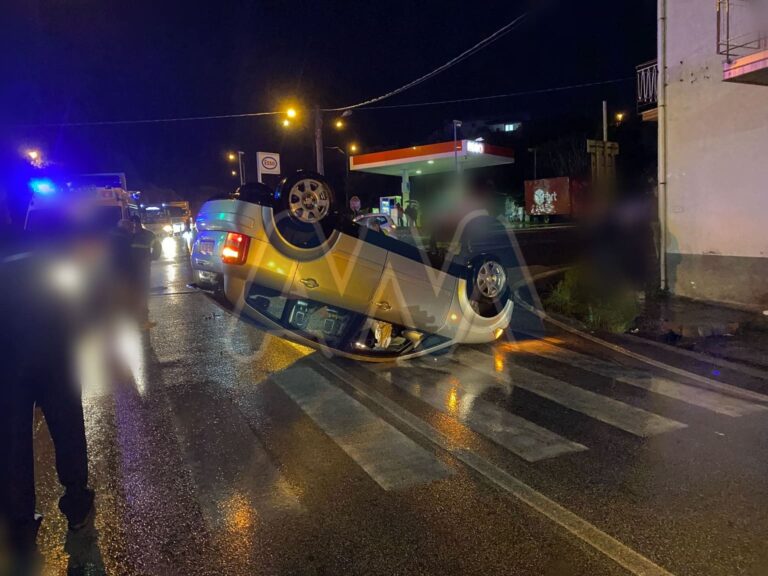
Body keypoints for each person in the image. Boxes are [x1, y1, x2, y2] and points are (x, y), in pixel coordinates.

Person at [0, 230, 96, 568]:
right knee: (68, 428)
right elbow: (77, 298)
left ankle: (20, 524)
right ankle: (77, 503)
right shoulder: (50, 242)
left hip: (8, 359)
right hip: (55, 353)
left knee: (12, 442)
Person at [128, 215, 161, 329]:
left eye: (135, 223)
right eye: (132, 224)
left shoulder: (148, 235)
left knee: (142, 294)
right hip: (130, 271)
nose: (134, 226)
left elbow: (157, 246)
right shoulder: (126, 235)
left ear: (139, 223)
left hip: (142, 269)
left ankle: (143, 321)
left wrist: (153, 257)